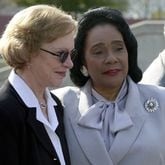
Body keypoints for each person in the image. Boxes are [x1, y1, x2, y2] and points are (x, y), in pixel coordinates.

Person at [52, 7, 165, 165]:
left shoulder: (162, 100)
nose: (111, 59)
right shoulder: (59, 104)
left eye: (119, 48)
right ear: (82, 60)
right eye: (98, 52)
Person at [0, 4, 77, 165]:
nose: (70, 63)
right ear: (27, 50)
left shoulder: (56, 106)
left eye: (71, 54)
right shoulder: (4, 112)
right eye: (61, 54)